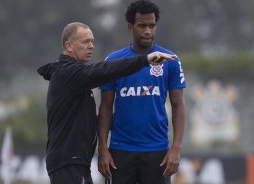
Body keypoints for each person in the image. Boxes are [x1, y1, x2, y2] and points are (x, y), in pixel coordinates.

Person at [37, 22, 176, 184]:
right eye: (85, 42)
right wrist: (145, 60)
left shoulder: (73, 76)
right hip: (68, 163)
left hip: (76, 162)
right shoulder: (67, 73)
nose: (91, 46)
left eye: (92, 41)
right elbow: (104, 70)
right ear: (69, 46)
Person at [97, 1, 186, 184]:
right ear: (130, 27)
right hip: (120, 150)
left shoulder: (170, 60)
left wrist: (176, 148)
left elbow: (178, 105)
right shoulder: (113, 61)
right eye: (142, 26)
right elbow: (105, 107)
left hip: (157, 151)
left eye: (151, 26)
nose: (147, 31)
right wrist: (103, 149)